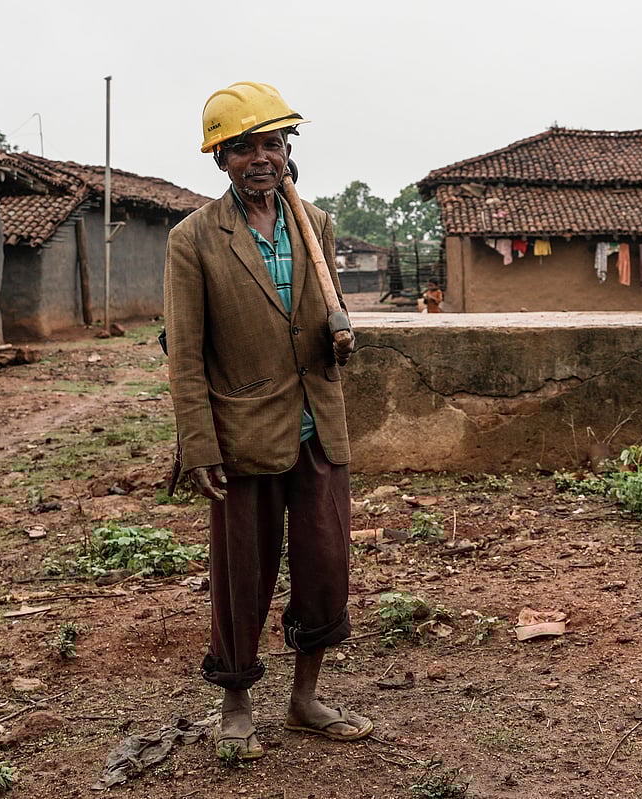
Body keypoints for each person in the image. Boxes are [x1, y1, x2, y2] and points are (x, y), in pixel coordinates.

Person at [163, 81, 369, 761]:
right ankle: (236, 702)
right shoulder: (193, 240)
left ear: (288, 151)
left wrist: (339, 336)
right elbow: (185, 353)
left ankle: (306, 697)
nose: (262, 158)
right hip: (242, 432)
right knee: (241, 575)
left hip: (319, 426)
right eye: (245, 146)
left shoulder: (317, 224)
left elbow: (325, 316)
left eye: (273, 144)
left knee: (324, 567)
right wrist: (198, 443)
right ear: (221, 158)